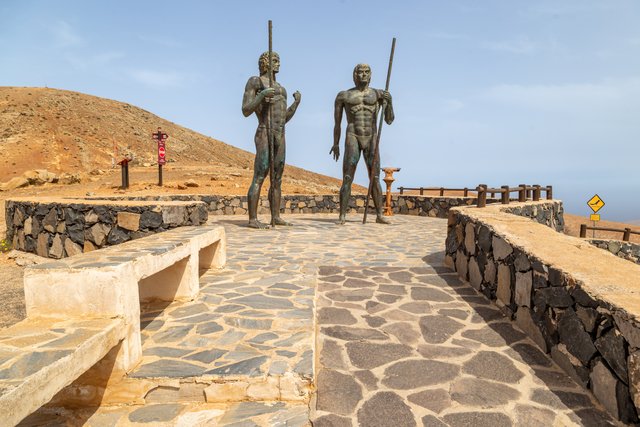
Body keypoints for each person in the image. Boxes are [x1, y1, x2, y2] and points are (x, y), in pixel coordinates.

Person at [242, 51, 301, 229]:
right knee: (260, 175)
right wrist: (261, 96)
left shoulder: (281, 88)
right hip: (264, 131)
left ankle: (276, 216)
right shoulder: (256, 82)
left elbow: (284, 118)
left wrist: (296, 104)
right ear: (265, 63)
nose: (278, 64)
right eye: (274, 60)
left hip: (280, 133)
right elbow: (245, 110)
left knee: (277, 178)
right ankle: (253, 219)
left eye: (279, 60)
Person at [330, 63, 394, 225]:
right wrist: (335, 143)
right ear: (355, 75)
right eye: (360, 72)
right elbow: (337, 123)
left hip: (371, 137)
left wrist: (390, 101)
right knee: (347, 177)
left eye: (366, 72)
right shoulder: (343, 96)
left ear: (371, 75)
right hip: (353, 136)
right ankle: (342, 215)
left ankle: (379, 214)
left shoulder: (378, 95)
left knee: (375, 177)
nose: (363, 75)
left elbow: (389, 120)